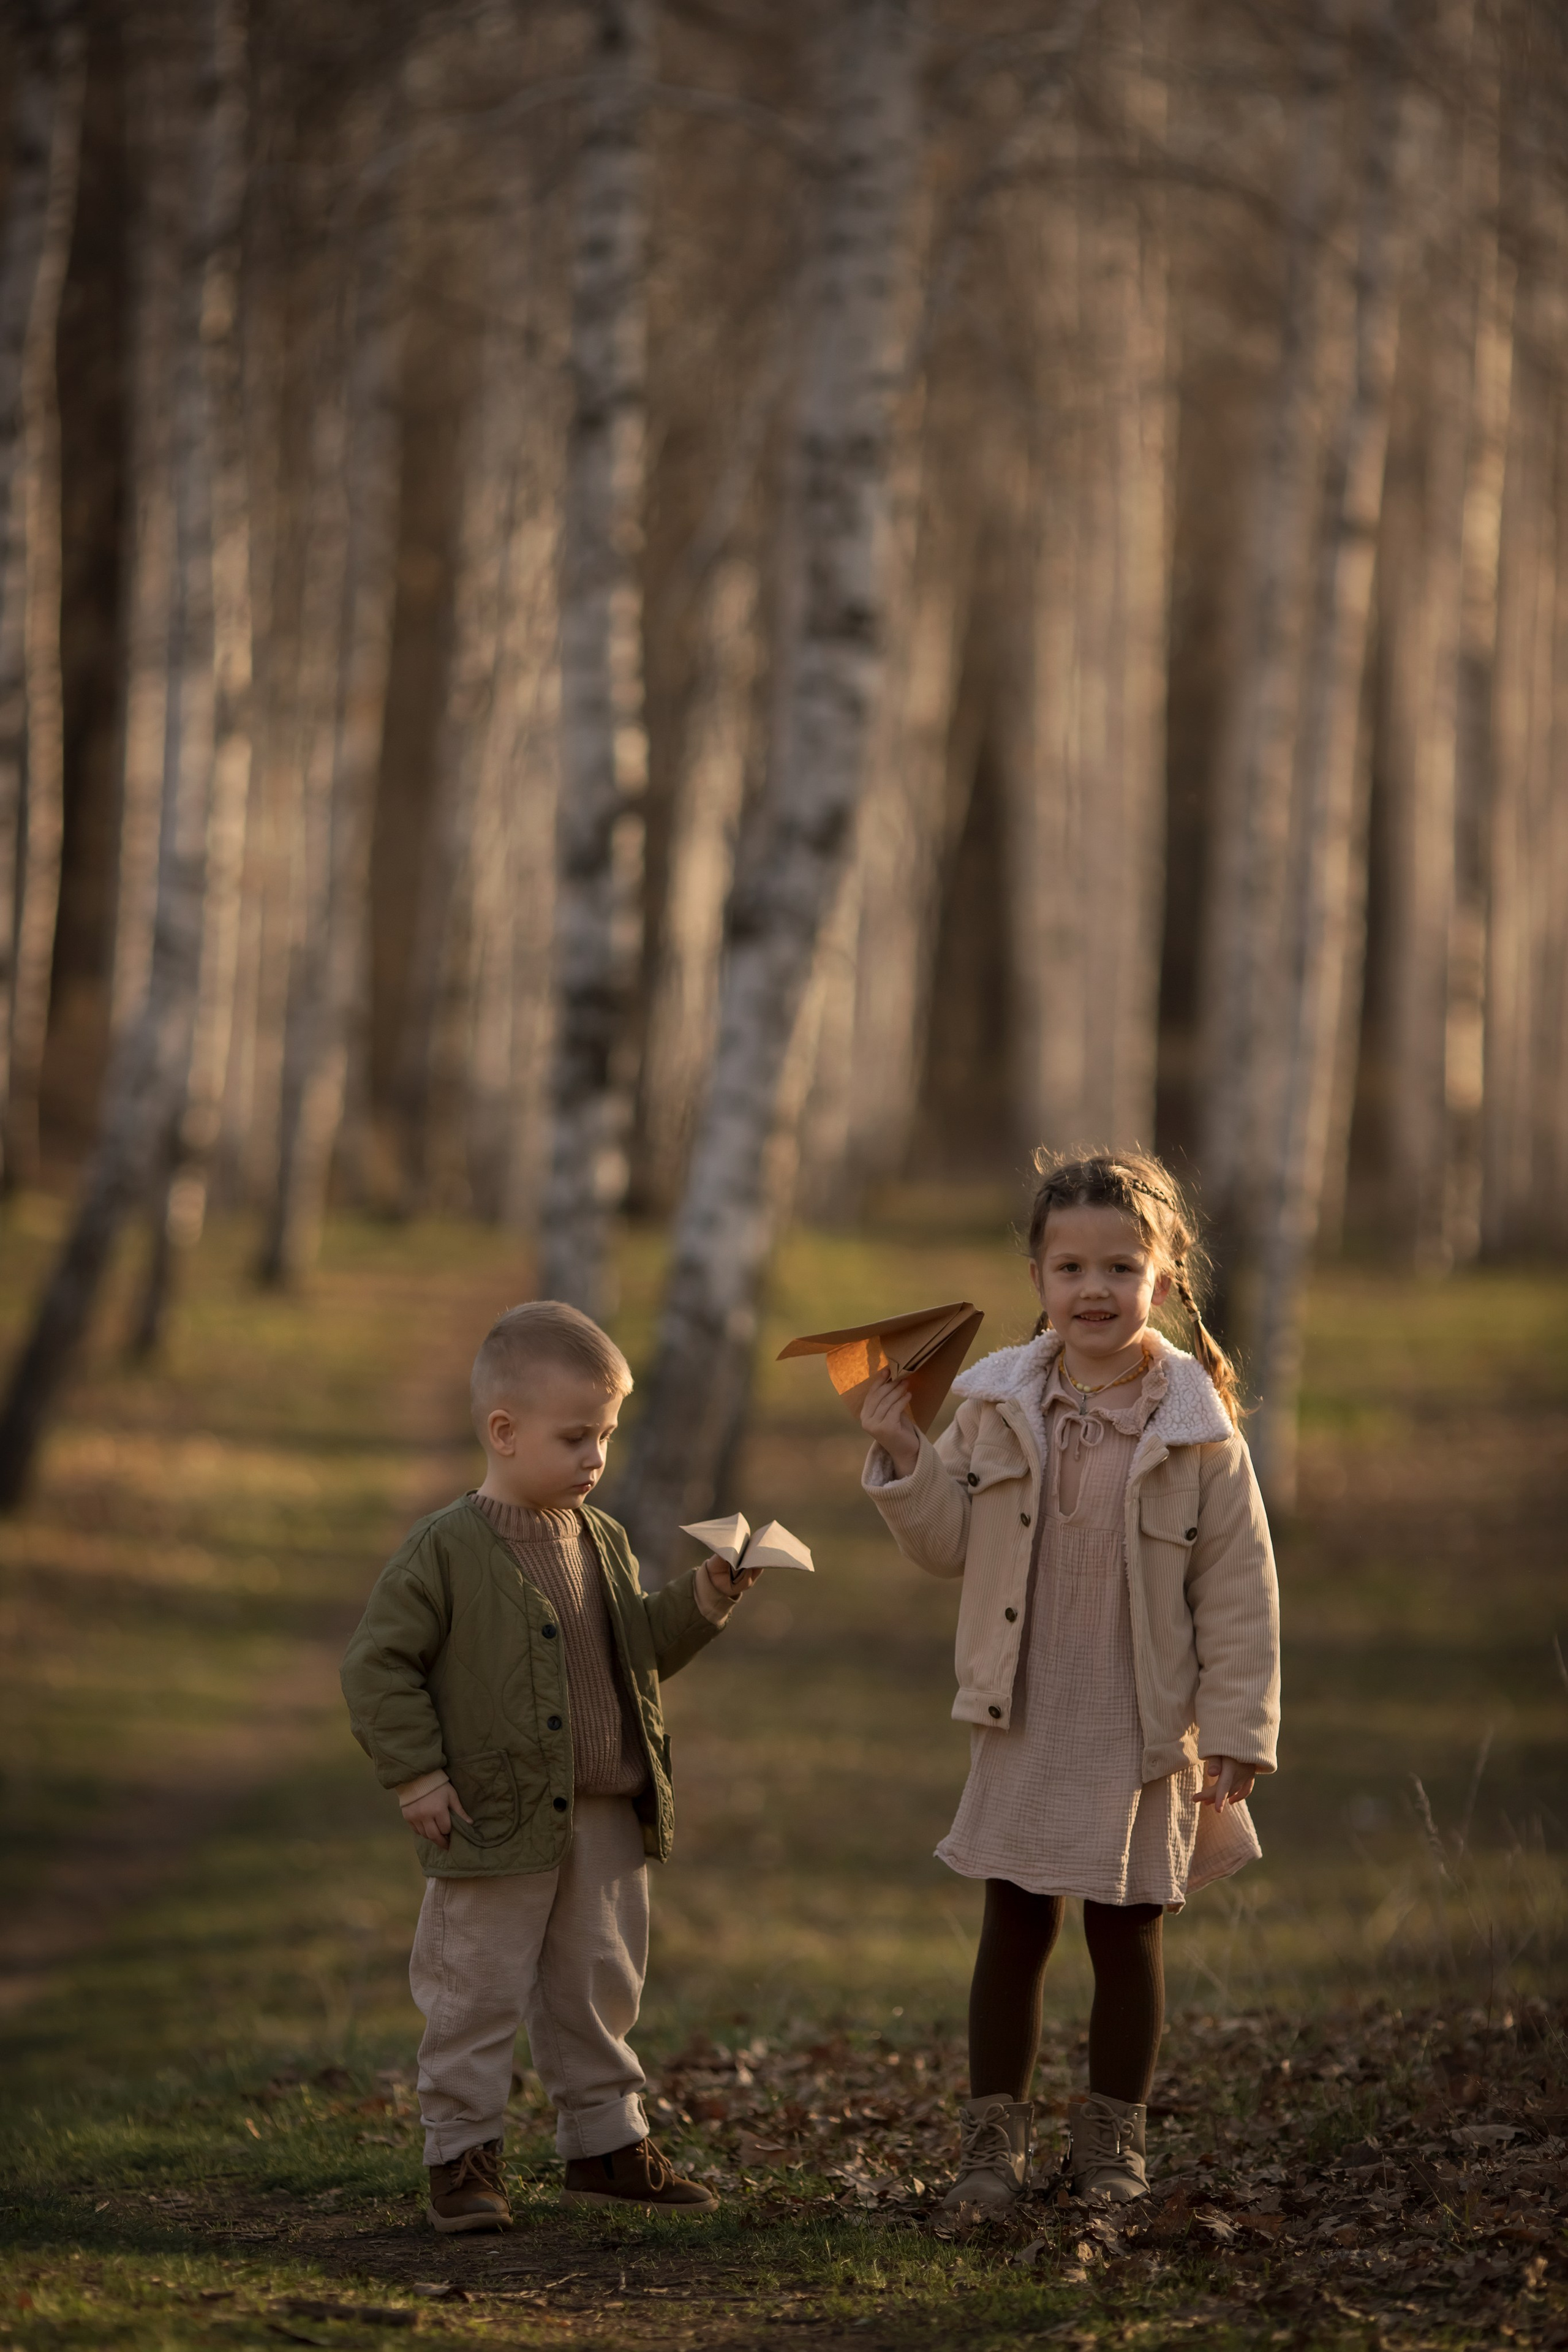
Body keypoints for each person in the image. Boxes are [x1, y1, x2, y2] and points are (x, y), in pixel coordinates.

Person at [860, 1151, 1279, 2210]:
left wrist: (1238, 1723)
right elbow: (949, 1545)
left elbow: (1238, 1589)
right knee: (1016, 1920)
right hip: (1029, 1704)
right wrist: (906, 1456)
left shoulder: (1198, 1427)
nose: (1095, 1290)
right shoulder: (996, 1403)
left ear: (1166, 1279)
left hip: (1143, 1719)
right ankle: (991, 2147)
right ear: (1039, 1279)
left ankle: (1110, 2149)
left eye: (1121, 1268)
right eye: (1070, 1267)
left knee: (1128, 1925)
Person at [341, 1300, 756, 2233]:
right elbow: (376, 1666)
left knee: (599, 1982)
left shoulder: (599, 1538)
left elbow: (634, 1649)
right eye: (576, 1437)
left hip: (606, 1807)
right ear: (504, 1431)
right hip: (493, 1813)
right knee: (474, 1987)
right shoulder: (444, 1549)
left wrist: (703, 1597)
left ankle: (605, 2144)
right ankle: (462, 2156)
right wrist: (418, 1776)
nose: (596, 1458)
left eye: (605, 1435)